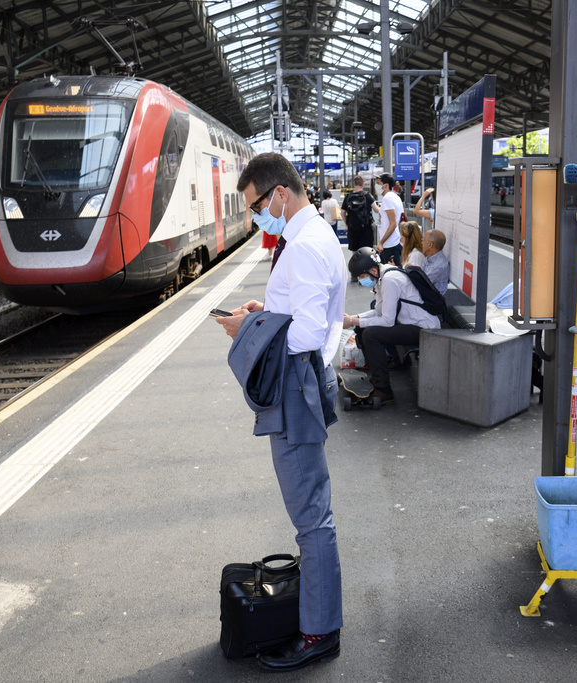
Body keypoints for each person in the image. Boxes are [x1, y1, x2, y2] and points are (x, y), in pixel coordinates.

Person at [215, 152, 346, 672]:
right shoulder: (308, 238)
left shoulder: (307, 245)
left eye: (255, 206)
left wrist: (247, 330)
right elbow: (298, 316)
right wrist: (263, 313)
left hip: (297, 390)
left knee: (312, 519)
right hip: (301, 384)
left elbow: (310, 332)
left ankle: (318, 632)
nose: (254, 218)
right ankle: (319, 620)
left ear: (279, 195)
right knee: (312, 512)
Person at [343, 247, 440, 403]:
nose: (361, 280)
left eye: (362, 275)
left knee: (371, 335)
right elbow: (379, 310)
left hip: (424, 328)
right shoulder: (384, 275)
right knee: (363, 329)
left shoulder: (389, 280)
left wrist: (353, 321)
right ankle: (377, 376)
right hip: (409, 323)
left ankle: (384, 390)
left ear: (372, 270)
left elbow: (387, 320)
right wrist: (354, 318)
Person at [374, 173, 403, 266]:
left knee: (391, 273)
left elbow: (393, 223)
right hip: (393, 242)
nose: (376, 185)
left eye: (378, 183)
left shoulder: (387, 198)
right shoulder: (395, 197)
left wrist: (381, 242)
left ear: (385, 186)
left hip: (390, 244)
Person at [342, 176, 375, 255]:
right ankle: (367, 267)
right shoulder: (367, 195)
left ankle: (356, 266)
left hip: (353, 228)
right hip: (366, 228)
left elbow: (342, 213)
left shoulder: (348, 197)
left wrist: (347, 224)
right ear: (363, 184)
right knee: (367, 251)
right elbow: (376, 209)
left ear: (354, 184)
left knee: (355, 251)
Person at [421, 229, 450, 295]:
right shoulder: (429, 258)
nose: (421, 243)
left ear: (430, 245)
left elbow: (421, 283)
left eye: (424, 240)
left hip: (429, 302)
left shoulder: (440, 265)